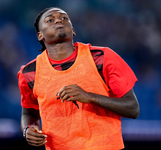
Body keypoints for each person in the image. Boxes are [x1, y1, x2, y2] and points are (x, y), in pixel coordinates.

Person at [17, 7, 140, 150]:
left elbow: (132, 108)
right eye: (50, 20)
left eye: (64, 18)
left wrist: (89, 97)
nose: (58, 20)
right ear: (40, 35)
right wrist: (28, 129)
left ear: (73, 30)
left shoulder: (102, 58)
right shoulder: (29, 73)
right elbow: (29, 113)